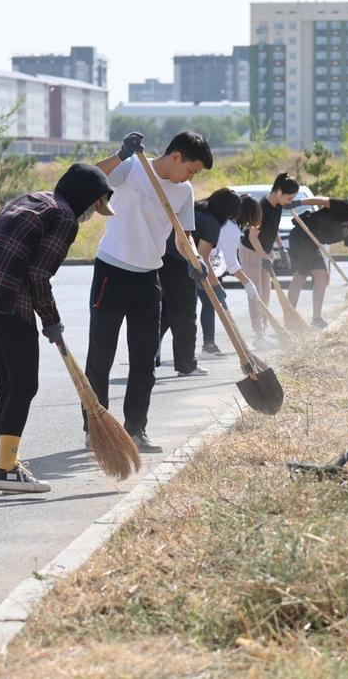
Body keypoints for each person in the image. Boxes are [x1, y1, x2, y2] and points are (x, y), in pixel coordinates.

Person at [0, 163, 115, 494]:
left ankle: (7, 466)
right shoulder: (64, 218)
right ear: (87, 199)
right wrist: (51, 320)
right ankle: (8, 469)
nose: (90, 215)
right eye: (95, 206)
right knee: (24, 387)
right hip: (9, 305)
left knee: (9, 388)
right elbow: (39, 275)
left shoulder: (27, 199)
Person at [84, 131, 212, 454]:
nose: (190, 177)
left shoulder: (183, 192)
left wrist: (195, 262)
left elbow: (184, 239)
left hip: (147, 278)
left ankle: (136, 429)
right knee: (101, 355)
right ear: (176, 157)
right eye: (191, 169)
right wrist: (120, 153)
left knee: (144, 359)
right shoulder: (133, 168)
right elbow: (90, 179)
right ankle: (95, 428)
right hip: (111, 271)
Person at [158, 187, 242, 375]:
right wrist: (216, 286)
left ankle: (150, 354)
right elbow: (201, 259)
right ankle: (187, 366)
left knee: (165, 313)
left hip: (162, 261)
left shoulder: (195, 210)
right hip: (182, 267)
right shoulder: (212, 223)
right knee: (186, 317)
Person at [286, 196, 348, 329]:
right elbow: (322, 201)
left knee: (322, 277)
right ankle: (289, 317)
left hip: (313, 243)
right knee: (301, 275)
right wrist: (297, 203)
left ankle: (316, 318)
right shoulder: (347, 208)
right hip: (302, 234)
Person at [199, 194, 263, 357]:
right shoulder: (231, 229)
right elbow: (232, 263)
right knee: (207, 303)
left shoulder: (228, 225)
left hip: (206, 265)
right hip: (202, 265)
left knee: (207, 304)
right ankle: (208, 346)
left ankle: (209, 345)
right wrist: (248, 283)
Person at [240, 173, 299, 346]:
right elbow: (252, 237)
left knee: (266, 294)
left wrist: (281, 248)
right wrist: (264, 257)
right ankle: (258, 335)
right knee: (255, 295)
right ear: (279, 192)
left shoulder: (279, 206)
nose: (290, 201)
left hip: (265, 252)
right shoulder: (262, 208)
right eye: (289, 197)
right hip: (251, 253)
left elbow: (273, 230)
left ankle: (264, 331)